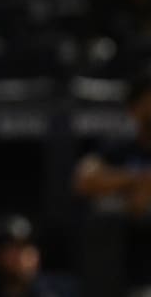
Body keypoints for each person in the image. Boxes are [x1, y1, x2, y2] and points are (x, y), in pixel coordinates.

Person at [72, 67, 151, 297]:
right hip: (125, 271)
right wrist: (137, 179)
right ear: (135, 108)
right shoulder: (121, 149)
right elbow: (83, 179)